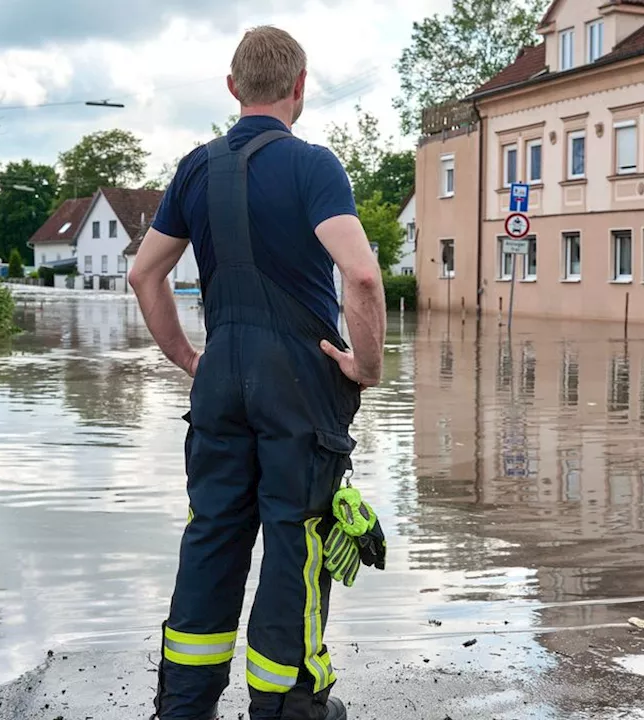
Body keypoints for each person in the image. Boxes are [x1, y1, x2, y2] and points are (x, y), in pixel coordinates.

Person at [128, 25, 386, 720]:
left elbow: (144, 274)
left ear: (233, 87)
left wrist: (188, 358)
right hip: (299, 383)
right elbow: (360, 274)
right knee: (296, 540)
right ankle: (286, 707)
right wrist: (366, 365)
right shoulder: (313, 166)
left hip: (222, 376)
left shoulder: (195, 168)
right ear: (300, 88)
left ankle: (183, 705)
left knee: (211, 532)